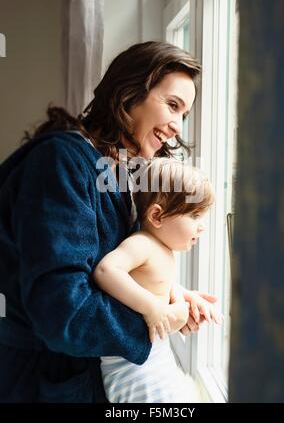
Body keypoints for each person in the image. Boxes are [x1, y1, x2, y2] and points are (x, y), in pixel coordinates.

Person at [0, 41, 217, 402]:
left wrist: (166, 293)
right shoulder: (60, 163)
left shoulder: (118, 172)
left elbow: (114, 271)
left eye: (185, 114)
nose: (178, 126)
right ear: (129, 91)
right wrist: (157, 318)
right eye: (173, 105)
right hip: (39, 384)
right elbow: (62, 313)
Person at [93, 157, 222, 403]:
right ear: (157, 216)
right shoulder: (142, 244)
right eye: (194, 215)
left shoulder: (160, 248)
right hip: (133, 369)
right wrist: (153, 308)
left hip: (154, 358)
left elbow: (151, 282)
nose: (202, 226)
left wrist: (186, 295)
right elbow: (106, 271)